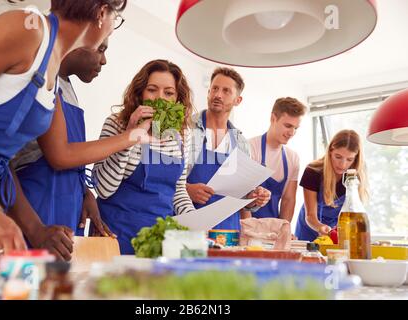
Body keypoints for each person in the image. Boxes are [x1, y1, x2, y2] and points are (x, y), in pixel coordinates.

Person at [0, 0, 127, 260]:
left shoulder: (52, 72)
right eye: (116, 19)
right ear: (102, 13)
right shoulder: (28, 28)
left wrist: (35, 228)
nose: (112, 29)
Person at [93, 59, 197, 254]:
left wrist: (195, 223)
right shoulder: (116, 124)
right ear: (140, 92)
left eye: (168, 93)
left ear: (177, 99)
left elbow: (178, 190)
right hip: (115, 234)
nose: (160, 98)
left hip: (158, 240)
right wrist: (130, 137)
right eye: (152, 89)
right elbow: (104, 189)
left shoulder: (182, 135)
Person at [186, 67, 271, 231]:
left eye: (226, 91)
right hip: (188, 225)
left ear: (237, 100)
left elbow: (241, 195)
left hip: (228, 231)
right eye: (215, 89)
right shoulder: (186, 129)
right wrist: (186, 189)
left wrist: (252, 198)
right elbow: (164, 180)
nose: (218, 95)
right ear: (209, 92)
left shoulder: (241, 143)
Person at [295, 130, 369, 241]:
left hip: (338, 230)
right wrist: (320, 227)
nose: (343, 164)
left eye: (349, 159)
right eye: (338, 157)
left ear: (356, 158)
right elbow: (310, 215)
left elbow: (354, 211)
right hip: (309, 227)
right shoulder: (312, 171)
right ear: (330, 151)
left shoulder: (355, 175)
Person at [247, 97, 306, 223]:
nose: (292, 132)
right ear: (273, 118)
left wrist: (284, 229)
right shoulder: (250, 148)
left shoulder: (293, 158)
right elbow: (241, 197)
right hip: (248, 226)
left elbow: (288, 200)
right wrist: (246, 230)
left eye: (296, 128)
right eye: (288, 126)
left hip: (273, 228)